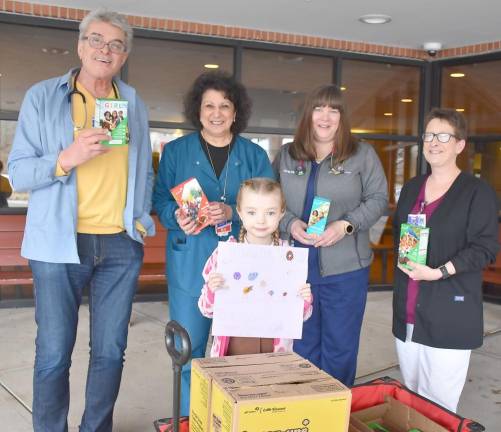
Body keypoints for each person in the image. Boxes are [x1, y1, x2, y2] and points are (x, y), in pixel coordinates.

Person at [8, 8, 154, 432]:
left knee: (111, 351)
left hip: (119, 245)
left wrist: (140, 218)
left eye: (115, 44)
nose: (104, 50)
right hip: (58, 244)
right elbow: (17, 172)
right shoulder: (44, 96)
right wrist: (65, 159)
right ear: (80, 45)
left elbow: (143, 168)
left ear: (124, 55)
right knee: (53, 352)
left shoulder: (131, 102)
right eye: (96, 40)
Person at [152, 71, 273, 418]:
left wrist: (234, 211)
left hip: (244, 267)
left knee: (237, 354)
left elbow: (273, 204)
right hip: (190, 262)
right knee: (188, 350)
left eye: (224, 105)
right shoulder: (175, 151)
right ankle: (192, 421)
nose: (216, 112)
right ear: (198, 110)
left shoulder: (253, 155)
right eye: (209, 106)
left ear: (236, 112)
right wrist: (177, 217)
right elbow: (160, 200)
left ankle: (232, 420)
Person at [273, 84, 388, 386]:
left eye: (333, 110)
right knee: (301, 350)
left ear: (342, 116)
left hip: (345, 271)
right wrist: (289, 224)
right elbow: (271, 199)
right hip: (296, 270)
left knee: (340, 350)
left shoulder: (361, 154)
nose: (325, 116)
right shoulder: (287, 155)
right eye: (318, 108)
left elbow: (378, 199)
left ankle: (335, 417)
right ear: (308, 115)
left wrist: (345, 225)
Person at [392, 108, 499, 413]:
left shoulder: (477, 192)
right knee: (411, 398)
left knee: (438, 406)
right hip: (408, 312)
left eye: (443, 136)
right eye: (428, 135)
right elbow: (405, 235)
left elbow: (485, 247)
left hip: (450, 313)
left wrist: (439, 272)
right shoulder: (412, 188)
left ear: (460, 145)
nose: (434, 142)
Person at [198, 178, 313, 357]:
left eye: (270, 212)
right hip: (233, 345)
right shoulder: (225, 256)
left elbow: (301, 316)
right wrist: (212, 291)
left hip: (275, 348)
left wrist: (304, 301)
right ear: (239, 212)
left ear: (282, 213)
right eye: (252, 212)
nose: (261, 220)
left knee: (271, 385)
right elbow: (205, 309)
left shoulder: (289, 256)